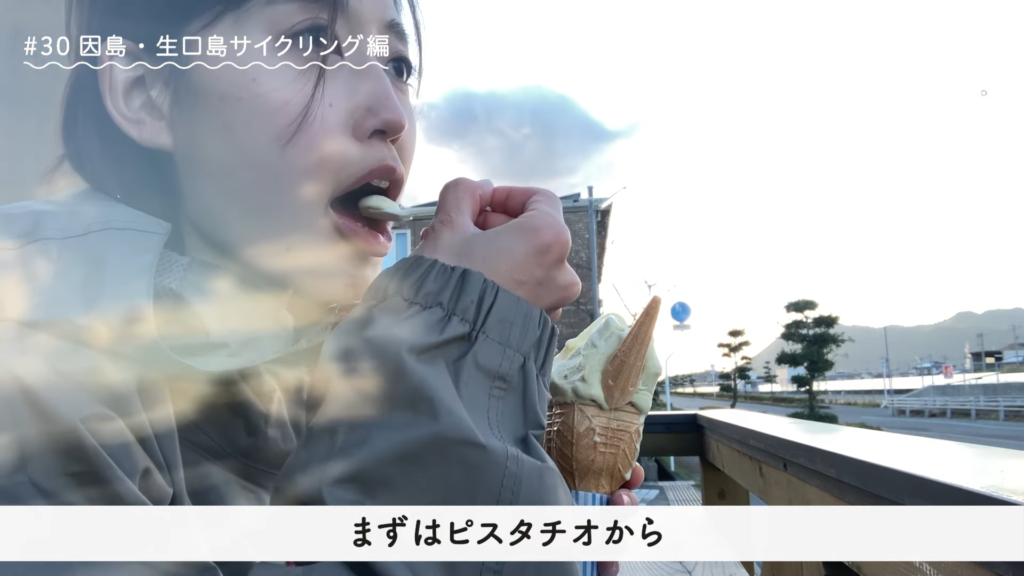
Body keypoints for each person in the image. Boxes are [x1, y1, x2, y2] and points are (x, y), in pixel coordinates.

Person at [0, 1, 643, 575]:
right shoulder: (32, 352)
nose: (391, 115)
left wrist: (510, 490)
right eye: (312, 40)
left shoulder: (319, 371)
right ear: (148, 93)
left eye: (397, 64)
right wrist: (461, 360)